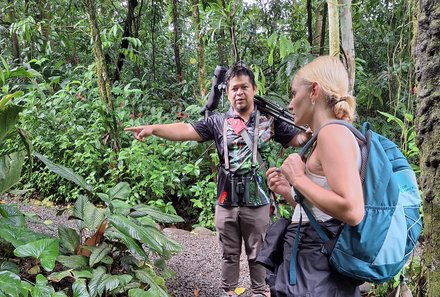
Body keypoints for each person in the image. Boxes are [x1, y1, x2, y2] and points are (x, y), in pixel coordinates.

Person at [125, 63, 308, 297]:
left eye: (244, 87)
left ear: (253, 89)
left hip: (258, 198)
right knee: (229, 252)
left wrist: (314, 130)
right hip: (226, 197)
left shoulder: (269, 120)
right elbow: (185, 130)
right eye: (233, 89)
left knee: (258, 251)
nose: (239, 93)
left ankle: (260, 291)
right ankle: (229, 291)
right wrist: (153, 129)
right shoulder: (217, 121)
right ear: (228, 93)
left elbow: (297, 138)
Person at [262, 55, 364, 296]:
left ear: (314, 91)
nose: (289, 104)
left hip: (317, 260)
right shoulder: (327, 135)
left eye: (294, 93)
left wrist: (298, 179)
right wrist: (290, 192)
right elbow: (323, 211)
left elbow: (352, 210)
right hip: (313, 257)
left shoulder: (333, 135)